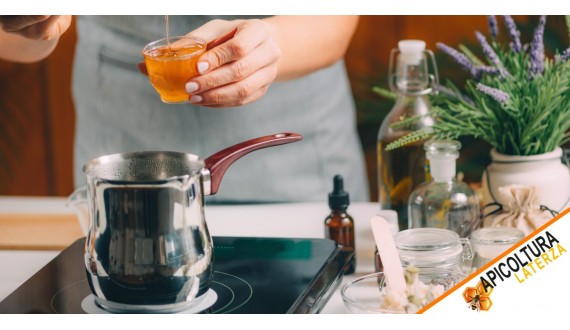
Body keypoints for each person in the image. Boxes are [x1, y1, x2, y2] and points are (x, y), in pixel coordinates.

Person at [0, 15, 369, 203]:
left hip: (294, 165)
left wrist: (273, 45)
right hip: (127, 156)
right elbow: (18, 39)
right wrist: (29, 22)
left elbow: (335, 18)